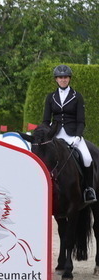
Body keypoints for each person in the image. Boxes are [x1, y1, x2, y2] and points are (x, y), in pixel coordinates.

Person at [42, 64, 95, 204]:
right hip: (55, 135)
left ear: (69, 78)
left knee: (87, 158)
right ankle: (43, 188)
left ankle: (89, 189)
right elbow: (46, 121)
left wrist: (78, 136)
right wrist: (46, 136)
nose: (63, 79)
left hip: (72, 135)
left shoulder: (77, 96)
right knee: (44, 159)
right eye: (60, 77)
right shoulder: (50, 97)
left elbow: (81, 121)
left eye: (65, 77)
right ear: (56, 79)